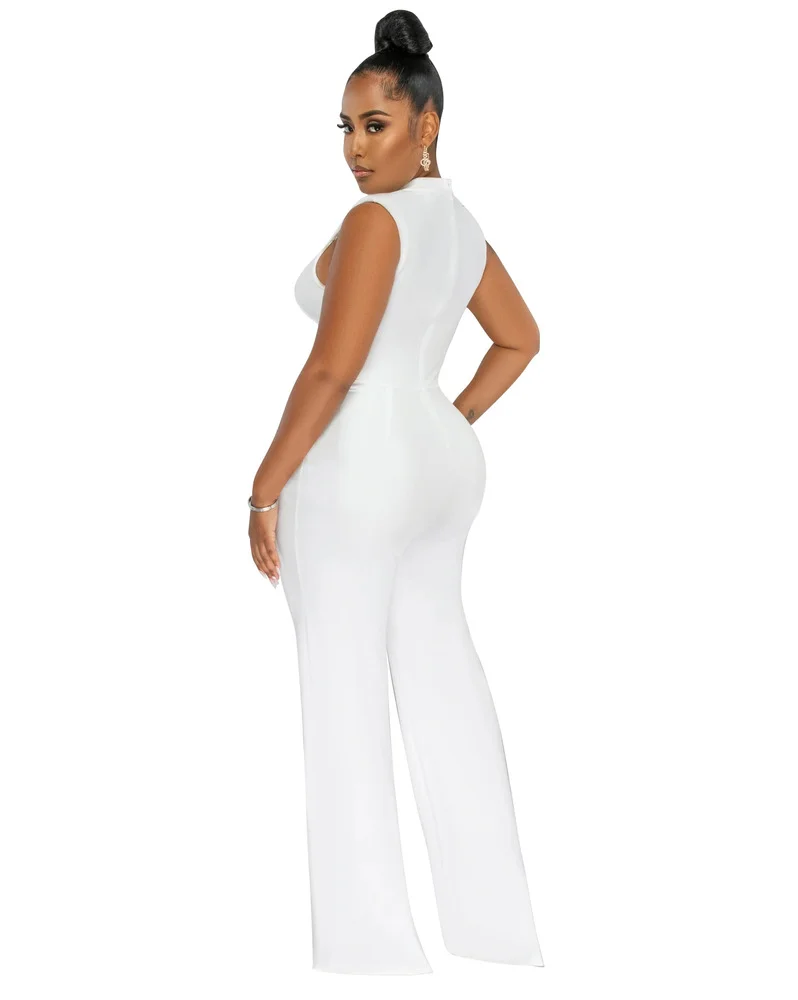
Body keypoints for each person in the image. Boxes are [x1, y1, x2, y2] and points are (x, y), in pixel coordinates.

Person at [248, 10, 543, 976]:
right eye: (345, 127)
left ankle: (371, 952)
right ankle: (497, 933)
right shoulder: (458, 224)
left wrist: (264, 488)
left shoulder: (376, 221)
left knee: (341, 693)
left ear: (428, 124)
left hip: (357, 470)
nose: (354, 148)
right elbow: (519, 339)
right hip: (438, 466)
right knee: (443, 676)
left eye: (375, 125)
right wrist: (447, 416)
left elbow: (332, 369)